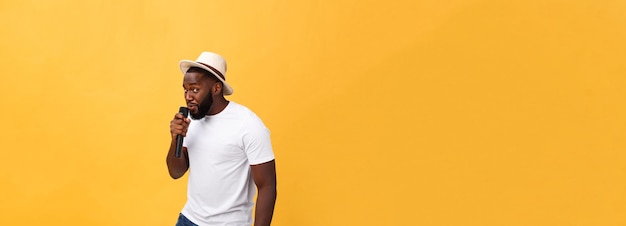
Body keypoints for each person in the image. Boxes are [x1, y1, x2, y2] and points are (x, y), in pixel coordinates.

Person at [166, 52, 277, 226]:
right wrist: (175, 139)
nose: (188, 96)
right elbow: (176, 172)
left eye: (195, 89)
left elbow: (267, 187)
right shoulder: (191, 120)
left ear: (216, 88)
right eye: (185, 89)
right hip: (189, 220)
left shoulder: (248, 124)